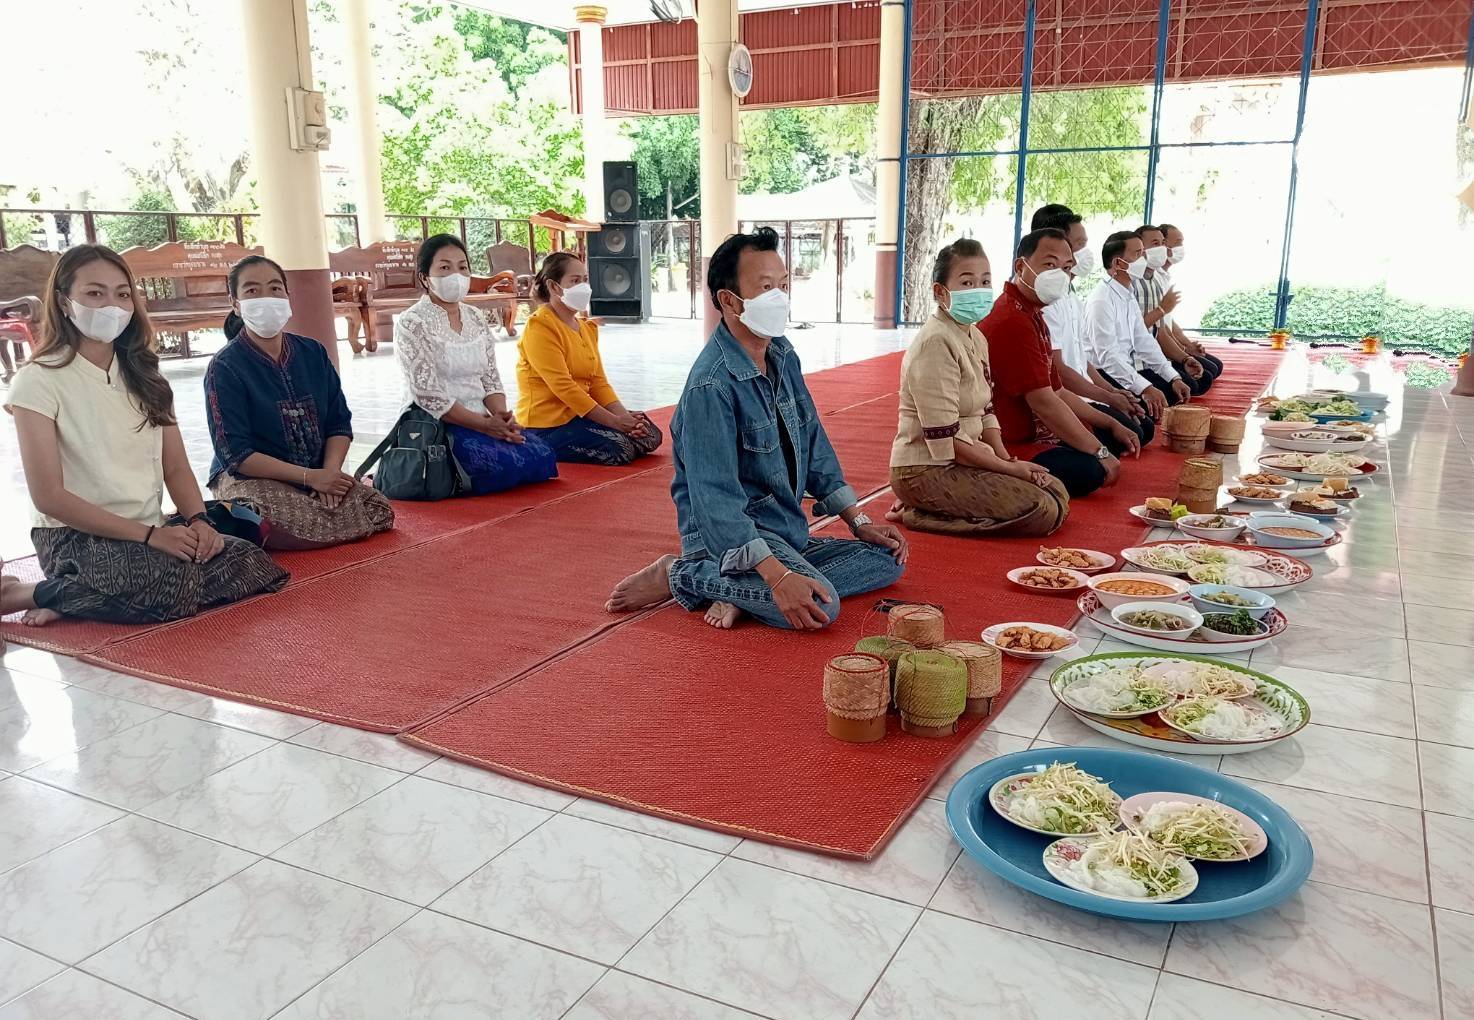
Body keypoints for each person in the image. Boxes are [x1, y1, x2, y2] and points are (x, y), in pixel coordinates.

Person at [606, 226, 907, 631]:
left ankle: (741, 592)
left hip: (783, 530)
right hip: (724, 538)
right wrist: (778, 578)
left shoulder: (782, 355)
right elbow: (716, 501)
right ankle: (683, 574)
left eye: (783, 285)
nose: (780, 297)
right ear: (729, 301)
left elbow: (814, 445)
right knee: (825, 607)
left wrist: (860, 522)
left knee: (886, 559)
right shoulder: (710, 386)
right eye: (766, 288)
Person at [0, 245, 287, 626]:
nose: (111, 305)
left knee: (248, 562)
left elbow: (176, 467)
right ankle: (29, 593)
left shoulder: (147, 377)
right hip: (73, 536)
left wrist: (200, 522)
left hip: (150, 528)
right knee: (165, 583)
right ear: (64, 302)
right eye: (95, 293)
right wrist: (150, 536)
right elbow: (49, 497)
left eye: (122, 294)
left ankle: (77, 597)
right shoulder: (37, 380)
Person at [203, 255, 394, 550]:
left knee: (377, 506)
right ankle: (270, 525)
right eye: (252, 291)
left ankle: (291, 531)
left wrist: (329, 474)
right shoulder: (225, 367)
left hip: (318, 472)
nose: (266, 298)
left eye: (275, 288)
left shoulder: (312, 352)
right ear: (235, 304)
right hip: (253, 479)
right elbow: (237, 456)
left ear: (287, 296)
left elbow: (339, 424)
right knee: (261, 512)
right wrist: (309, 478)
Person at [886, 238, 1069, 537]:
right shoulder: (935, 342)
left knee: (1056, 489)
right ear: (940, 292)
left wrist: (1004, 458)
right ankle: (917, 512)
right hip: (926, 468)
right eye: (967, 282)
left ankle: (932, 508)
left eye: (985, 282)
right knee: (1042, 510)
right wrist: (1008, 469)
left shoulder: (975, 336)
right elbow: (946, 439)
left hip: (968, 458)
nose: (979, 290)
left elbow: (986, 410)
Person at [979, 228, 1137, 499]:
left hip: (1037, 427)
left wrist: (1110, 423)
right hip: (1009, 441)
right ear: (1021, 266)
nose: (1060, 275)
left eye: (1065, 268)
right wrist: (1100, 452)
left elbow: (1058, 390)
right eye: (1050, 265)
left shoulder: (1032, 313)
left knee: (1117, 433)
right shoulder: (1012, 320)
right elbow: (1044, 401)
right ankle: (1004, 474)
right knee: (1090, 470)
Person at [393, 234, 556, 495]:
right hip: (440, 425)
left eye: (462, 267)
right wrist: (484, 426)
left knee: (542, 455)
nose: (456, 275)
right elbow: (428, 394)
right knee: (501, 464)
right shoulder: (412, 322)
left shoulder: (476, 317)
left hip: (483, 419)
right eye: (444, 268)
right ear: (425, 278)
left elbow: (490, 378)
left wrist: (501, 418)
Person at [516, 252, 662, 465]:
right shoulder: (539, 327)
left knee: (651, 435)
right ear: (554, 287)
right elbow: (564, 387)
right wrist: (615, 423)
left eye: (585, 280)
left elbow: (598, 382)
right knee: (621, 449)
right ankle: (539, 447)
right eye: (575, 281)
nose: (583, 287)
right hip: (547, 426)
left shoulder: (586, 328)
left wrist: (624, 418)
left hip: (581, 416)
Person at [1030, 205, 1155, 450]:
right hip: (1067, 398)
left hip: (1084, 391)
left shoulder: (1070, 294)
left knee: (1143, 427)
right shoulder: (1045, 301)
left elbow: (1081, 358)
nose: (1085, 252)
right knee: (1131, 435)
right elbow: (1059, 371)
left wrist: (1112, 391)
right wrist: (1108, 397)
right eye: (1079, 245)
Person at [1086, 230, 1193, 412]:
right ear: (1118, 263)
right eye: (1138, 254)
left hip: (1123, 368)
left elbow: (1144, 340)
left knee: (1174, 390)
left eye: (1143, 252)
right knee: (1148, 415)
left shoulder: (1127, 293)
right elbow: (1108, 358)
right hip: (1102, 374)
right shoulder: (1101, 300)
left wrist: (1173, 377)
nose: (1144, 258)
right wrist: (1145, 388)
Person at [1134, 225, 1210, 395]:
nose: (1163, 249)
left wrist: (1185, 355)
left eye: (1162, 243)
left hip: (1151, 357)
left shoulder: (1153, 281)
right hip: (1131, 363)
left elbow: (1162, 330)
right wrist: (1161, 310)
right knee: (1187, 387)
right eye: (1156, 244)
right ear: (1139, 249)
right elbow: (1133, 332)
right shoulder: (1130, 283)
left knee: (1202, 378)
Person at [1157, 223, 1223, 379]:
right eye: (1178, 242)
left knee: (1216, 367)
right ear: (1163, 245)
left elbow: (1169, 322)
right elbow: (1159, 328)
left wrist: (1189, 344)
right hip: (1159, 349)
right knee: (1206, 376)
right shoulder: (1151, 279)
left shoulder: (1164, 277)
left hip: (1169, 342)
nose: (1181, 248)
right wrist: (1184, 351)